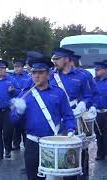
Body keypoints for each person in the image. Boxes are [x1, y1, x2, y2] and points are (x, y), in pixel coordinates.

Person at [11, 56, 76, 180]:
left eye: (41, 72)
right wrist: (18, 112)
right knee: (33, 177)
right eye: (34, 72)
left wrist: (70, 130)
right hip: (32, 144)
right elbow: (14, 121)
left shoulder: (58, 93)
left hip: (53, 142)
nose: (36, 76)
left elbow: (68, 115)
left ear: (48, 74)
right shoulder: (26, 94)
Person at [50, 48, 93, 180]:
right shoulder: (51, 76)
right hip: (57, 119)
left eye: (58, 59)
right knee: (57, 151)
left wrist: (83, 104)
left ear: (67, 59)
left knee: (78, 150)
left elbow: (88, 95)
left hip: (75, 117)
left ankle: (82, 175)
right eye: (54, 59)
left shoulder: (81, 76)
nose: (54, 61)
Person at [10, 58, 30, 151]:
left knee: (25, 125)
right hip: (14, 104)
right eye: (15, 67)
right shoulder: (10, 77)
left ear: (22, 67)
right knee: (15, 126)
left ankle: (27, 144)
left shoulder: (27, 77)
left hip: (25, 104)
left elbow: (26, 91)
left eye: (19, 67)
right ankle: (16, 144)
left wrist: (15, 90)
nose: (17, 69)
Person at [92, 61, 107, 161]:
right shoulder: (93, 81)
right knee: (99, 133)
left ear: (105, 70)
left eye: (98, 70)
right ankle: (100, 153)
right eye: (95, 70)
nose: (96, 71)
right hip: (96, 112)